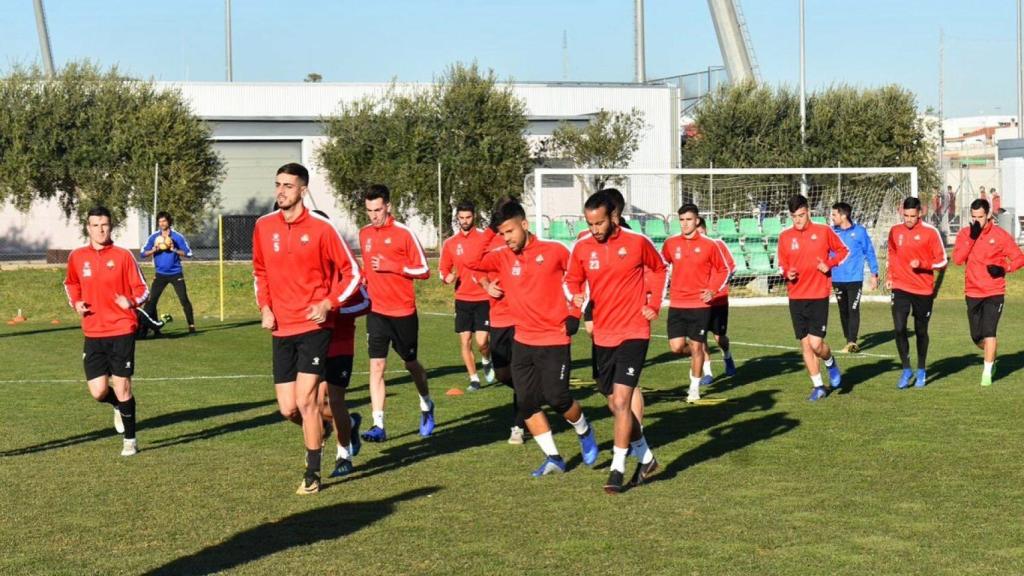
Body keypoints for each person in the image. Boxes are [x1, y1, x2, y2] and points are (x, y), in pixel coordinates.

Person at [252, 163, 361, 494]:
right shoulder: (263, 226)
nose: (281, 191)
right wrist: (266, 307)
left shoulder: (321, 229)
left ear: (303, 190)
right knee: (288, 409)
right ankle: (326, 430)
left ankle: (312, 474)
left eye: (288, 185)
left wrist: (328, 303)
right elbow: (260, 272)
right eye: (278, 184)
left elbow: (352, 273)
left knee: (307, 400)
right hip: (281, 329)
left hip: (315, 327)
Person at [470, 199, 599, 477]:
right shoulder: (502, 254)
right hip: (523, 340)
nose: (507, 239)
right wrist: (486, 277)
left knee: (558, 398)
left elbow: (580, 277)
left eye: (510, 232)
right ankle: (554, 457)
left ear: (525, 225)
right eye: (501, 233)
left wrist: (575, 312)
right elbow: (473, 262)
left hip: (554, 338)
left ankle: (584, 429)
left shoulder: (553, 251)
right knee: (527, 403)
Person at [566, 191, 667, 493]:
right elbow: (571, 280)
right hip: (603, 335)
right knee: (612, 402)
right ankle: (646, 457)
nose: (594, 229)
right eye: (589, 223)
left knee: (622, 400)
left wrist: (654, 303)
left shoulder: (637, 243)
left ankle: (617, 467)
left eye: (598, 223)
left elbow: (660, 268)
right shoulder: (582, 248)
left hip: (634, 331)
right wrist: (576, 296)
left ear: (613, 218)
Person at [63, 206, 150, 456]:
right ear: (88, 228)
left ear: (111, 227)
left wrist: (131, 302)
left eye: (105, 225)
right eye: (96, 225)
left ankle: (130, 441)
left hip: (121, 329)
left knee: (123, 387)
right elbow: (70, 283)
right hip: (93, 332)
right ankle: (116, 406)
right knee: (98, 391)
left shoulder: (123, 256)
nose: (101, 230)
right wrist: (76, 302)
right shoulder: (77, 257)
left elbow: (143, 288)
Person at [358, 184, 434, 442]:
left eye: (378, 209)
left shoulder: (404, 233)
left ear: (388, 206)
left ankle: (426, 404)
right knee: (376, 366)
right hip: (376, 311)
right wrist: (364, 280)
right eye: (369, 210)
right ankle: (378, 425)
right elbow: (368, 270)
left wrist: (392, 265)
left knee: (411, 364)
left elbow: (423, 269)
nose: (373, 215)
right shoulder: (364, 234)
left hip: (402, 312)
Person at [776, 195, 849, 401]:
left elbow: (844, 251)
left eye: (800, 215)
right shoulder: (785, 236)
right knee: (805, 344)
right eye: (793, 217)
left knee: (817, 344)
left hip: (818, 295)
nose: (797, 220)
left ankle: (830, 362)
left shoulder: (823, 231)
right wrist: (786, 273)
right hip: (796, 296)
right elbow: (781, 263)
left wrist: (829, 264)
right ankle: (818, 386)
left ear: (808, 211)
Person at [470, 198, 528, 444]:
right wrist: (486, 285)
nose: (506, 235)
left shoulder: (528, 243)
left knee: (518, 370)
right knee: (504, 374)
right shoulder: (494, 240)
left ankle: (519, 425)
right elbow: (474, 265)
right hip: (498, 316)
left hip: (522, 317)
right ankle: (530, 397)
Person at [660, 206, 729, 405]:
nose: (685, 223)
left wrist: (713, 289)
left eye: (689, 219)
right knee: (676, 347)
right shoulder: (671, 243)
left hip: (700, 304)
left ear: (697, 220)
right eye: (681, 219)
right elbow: (661, 265)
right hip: (677, 303)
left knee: (698, 346)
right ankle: (697, 355)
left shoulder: (709, 244)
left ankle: (694, 387)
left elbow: (722, 269)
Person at [952, 198, 1024, 386]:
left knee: (990, 331)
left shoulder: (1000, 235)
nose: (978, 220)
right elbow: (958, 260)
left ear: (989, 215)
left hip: (994, 291)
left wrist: (1004, 269)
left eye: (981, 217)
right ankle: (991, 354)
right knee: (977, 336)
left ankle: (987, 373)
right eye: (974, 217)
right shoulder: (965, 234)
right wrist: (971, 238)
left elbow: (1019, 258)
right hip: (973, 292)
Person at [886, 196, 947, 389]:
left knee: (921, 331)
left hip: (923, 289)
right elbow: (892, 252)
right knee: (899, 328)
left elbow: (942, 262)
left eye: (913, 216)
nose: (909, 219)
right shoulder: (895, 231)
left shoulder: (930, 232)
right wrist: (890, 275)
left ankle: (921, 369)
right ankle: (906, 369)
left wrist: (922, 264)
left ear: (920, 213)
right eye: (906, 215)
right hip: (900, 287)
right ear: (901, 212)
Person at [439, 200, 495, 392]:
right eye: (461, 218)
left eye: (468, 217)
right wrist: (448, 277)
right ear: (457, 218)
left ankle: (487, 359)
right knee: (465, 341)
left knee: (482, 342)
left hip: (482, 298)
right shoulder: (450, 243)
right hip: (462, 299)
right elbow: (443, 270)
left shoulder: (483, 238)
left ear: (474, 217)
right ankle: (473, 378)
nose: (464, 221)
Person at [325, 284, 371, 477]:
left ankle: (344, 457)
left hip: (340, 345)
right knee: (301, 405)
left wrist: (334, 309)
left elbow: (366, 303)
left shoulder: (347, 271)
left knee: (335, 401)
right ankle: (350, 423)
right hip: (311, 343)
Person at [829, 202, 879, 353]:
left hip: (854, 278)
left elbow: (869, 252)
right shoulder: (831, 232)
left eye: (834, 214)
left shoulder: (860, 232)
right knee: (843, 311)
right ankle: (848, 340)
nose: (832, 217)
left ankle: (852, 341)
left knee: (853, 309)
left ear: (843, 216)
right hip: (837, 278)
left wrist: (874, 273)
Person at [140, 211, 196, 336]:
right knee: (151, 301)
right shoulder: (154, 237)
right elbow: (143, 254)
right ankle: (150, 329)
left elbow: (189, 253)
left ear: (169, 222)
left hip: (176, 273)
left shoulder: (177, 237)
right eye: (160, 221)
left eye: (164, 221)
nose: (162, 224)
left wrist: (174, 249)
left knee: (184, 299)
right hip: (160, 274)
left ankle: (191, 326)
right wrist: (154, 249)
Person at [696, 217, 737, 383]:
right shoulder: (692, 248)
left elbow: (731, 268)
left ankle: (727, 357)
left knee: (720, 337)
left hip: (718, 299)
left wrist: (716, 287)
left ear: (706, 230)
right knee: (701, 338)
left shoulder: (718, 245)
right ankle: (708, 372)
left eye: (701, 232)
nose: (699, 236)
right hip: (699, 301)